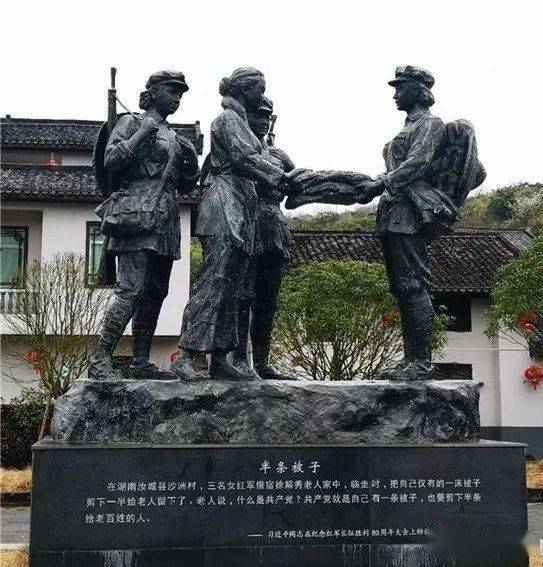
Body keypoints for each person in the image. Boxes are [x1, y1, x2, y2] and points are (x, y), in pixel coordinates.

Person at [173, 68, 300, 381]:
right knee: (214, 282)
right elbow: (246, 158)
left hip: (240, 206)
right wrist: (281, 177)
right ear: (245, 90)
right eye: (260, 90)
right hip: (223, 206)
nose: (262, 96)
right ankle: (186, 355)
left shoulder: (240, 122)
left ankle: (220, 358)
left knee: (234, 288)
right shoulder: (228, 120)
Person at [89, 70, 199, 381]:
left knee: (155, 292)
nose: (177, 98)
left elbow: (184, 186)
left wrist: (191, 162)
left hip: (165, 217)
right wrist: (143, 133)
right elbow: (112, 160)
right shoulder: (131, 122)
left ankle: (140, 362)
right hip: (135, 212)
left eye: (180, 94)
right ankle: (100, 360)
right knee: (130, 290)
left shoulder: (175, 137)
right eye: (171, 91)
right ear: (153, 93)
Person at [232, 97, 297, 380]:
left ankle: (262, 362)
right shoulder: (235, 149)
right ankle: (238, 360)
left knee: (268, 300)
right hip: (246, 224)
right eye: (257, 115)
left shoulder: (279, 155)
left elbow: (297, 188)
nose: (262, 121)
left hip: (274, 226)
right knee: (242, 296)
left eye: (267, 116)